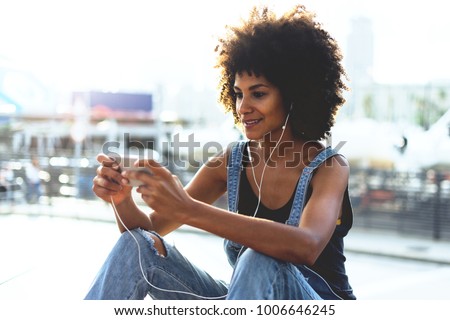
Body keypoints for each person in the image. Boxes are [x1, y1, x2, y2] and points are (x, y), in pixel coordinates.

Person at [85, 4, 356, 300]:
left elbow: (307, 245)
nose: (243, 107)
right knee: (137, 244)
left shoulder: (329, 167)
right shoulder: (230, 162)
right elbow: (152, 228)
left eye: (259, 93)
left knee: (259, 256)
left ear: (294, 95)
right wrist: (121, 200)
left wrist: (188, 209)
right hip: (247, 300)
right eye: (238, 94)